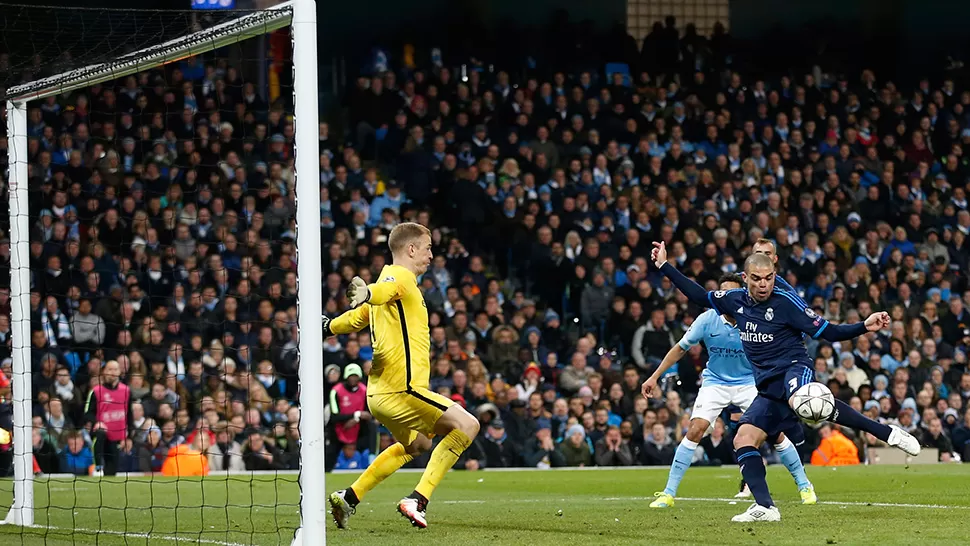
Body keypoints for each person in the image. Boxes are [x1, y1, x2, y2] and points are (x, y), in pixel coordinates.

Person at [651, 242, 920, 522]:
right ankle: (766, 507)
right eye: (756, 279)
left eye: (768, 278)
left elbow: (828, 332)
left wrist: (865, 325)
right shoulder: (735, 301)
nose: (764, 284)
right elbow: (698, 295)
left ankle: (886, 433)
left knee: (804, 401)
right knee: (743, 438)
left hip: (794, 369)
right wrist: (664, 266)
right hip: (767, 388)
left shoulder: (787, 302)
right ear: (745, 279)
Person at [326, 222, 480, 529]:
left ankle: (350, 496)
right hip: (403, 389)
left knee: (418, 444)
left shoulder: (389, 282)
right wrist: (369, 292)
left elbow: (358, 317)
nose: (430, 255)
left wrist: (327, 327)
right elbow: (385, 291)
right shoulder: (401, 279)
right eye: (428, 247)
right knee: (468, 424)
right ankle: (418, 499)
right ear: (411, 249)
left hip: (379, 395)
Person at [643, 274, 816, 509]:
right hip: (715, 382)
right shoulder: (706, 320)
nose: (725, 298)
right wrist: (654, 376)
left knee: (775, 433)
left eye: (731, 293)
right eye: (721, 294)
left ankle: (804, 485)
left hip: (750, 383)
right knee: (695, 429)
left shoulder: (757, 319)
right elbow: (680, 348)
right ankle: (668, 493)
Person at [83, 360, 131, 476]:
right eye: (109, 369)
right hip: (101, 433)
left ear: (120, 372)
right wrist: (97, 422)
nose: (112, 372)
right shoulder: (96, 391)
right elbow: (87, 413)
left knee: (112, 472)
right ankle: (97, 467)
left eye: (115, 369)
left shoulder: (126, 390)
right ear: (104, 372)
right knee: (100, 433)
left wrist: (129, 436)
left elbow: (130, 415)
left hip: (117, 437)